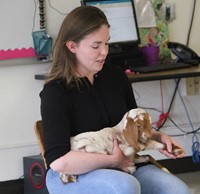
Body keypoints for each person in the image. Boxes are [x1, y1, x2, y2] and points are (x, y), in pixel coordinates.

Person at [40, 6, 190, 194]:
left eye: (107, 43)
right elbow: (59, 161)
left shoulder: (117, 77)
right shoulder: (55, 92)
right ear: (72, 46)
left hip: (122, 164)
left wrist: (158, 137)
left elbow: (131, 128)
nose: (104, 52)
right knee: (126, 186)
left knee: (178, 190)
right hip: (72, 174)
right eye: (96, 46)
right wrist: (113, 160)